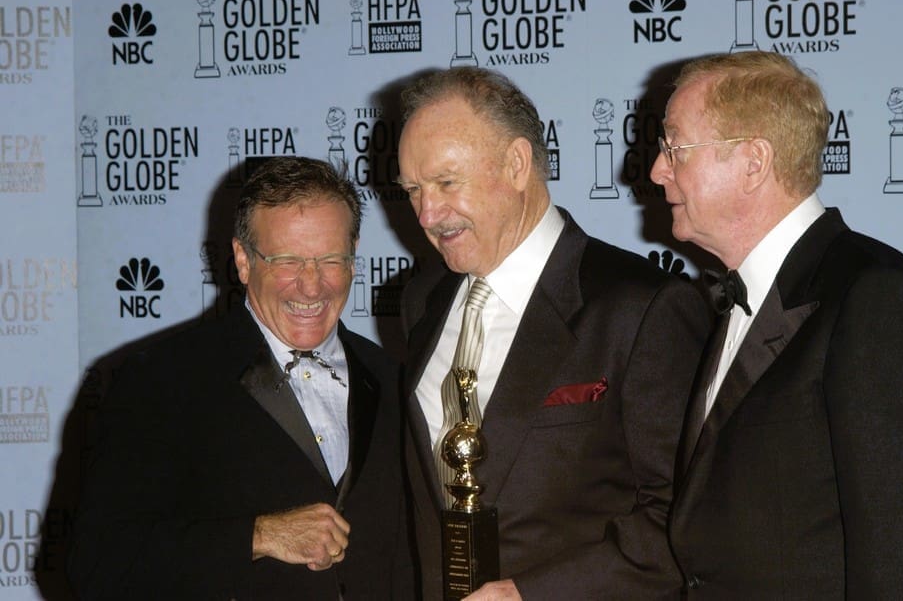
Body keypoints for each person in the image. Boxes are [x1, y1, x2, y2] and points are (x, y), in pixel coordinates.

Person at [650, 51, 903, 598]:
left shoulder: (873, 295)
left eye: (674, 147)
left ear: (753, 162)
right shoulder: (729, 300)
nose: (657, 170)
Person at [396, 67, 711, 600]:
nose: (428, 213)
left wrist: (530, 595)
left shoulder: (641, 307)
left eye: (447, 183)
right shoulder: (421, 301)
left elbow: (684, 517)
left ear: (517, 164)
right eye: (413, 190)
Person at [68, 156, 414, 599]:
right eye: (287, 261)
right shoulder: (161, 380)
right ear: (243, 260)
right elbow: (98, 562)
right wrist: (258, 536)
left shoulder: (392, 381)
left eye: (330, 259)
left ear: (353, 257)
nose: (312, 286)